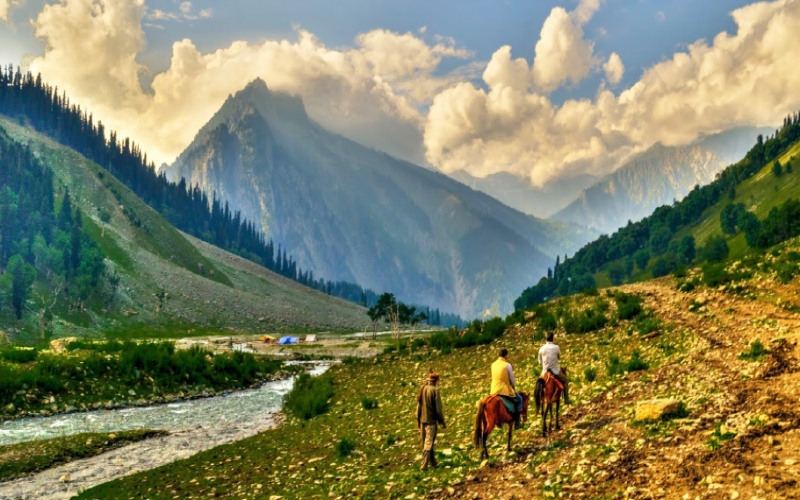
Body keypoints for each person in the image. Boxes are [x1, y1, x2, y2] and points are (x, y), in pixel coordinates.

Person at [416, 370, 446, 471]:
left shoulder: (423, 389)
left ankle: (433, 463)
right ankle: (424, 465)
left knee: (427, 442)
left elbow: (418, 406)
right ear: (435, 380)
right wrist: (442, 421)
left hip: (422, 420)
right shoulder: (434, 390)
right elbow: (438, 409)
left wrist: (418, 419)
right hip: (430, 421)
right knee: (428, 444)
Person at [490, 348, 524, 429]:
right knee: (519, 400)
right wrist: (513, 388)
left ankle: (498, 422)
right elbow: (512, 379)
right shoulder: (507, 365)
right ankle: (517, 422)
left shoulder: (493, 364)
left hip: (494, 390)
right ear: (505, 356)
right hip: (504, 390)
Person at [538, 331, 570, 404]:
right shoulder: (556, 347)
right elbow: (559, 357)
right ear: (553, 339)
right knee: (565, 380)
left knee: (539, 382)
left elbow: (540, 362)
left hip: (545, 371)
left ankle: (539, 398)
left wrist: (544, 365)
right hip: (555, 371)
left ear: (546, 339)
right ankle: (566, 399)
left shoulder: (541, 348)